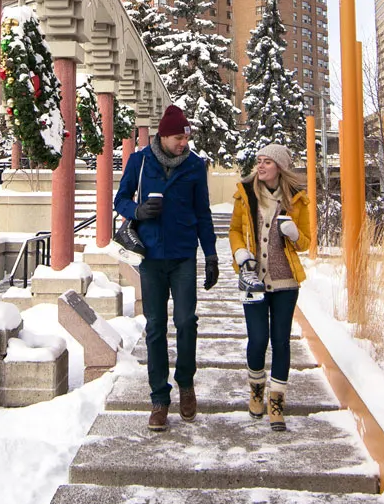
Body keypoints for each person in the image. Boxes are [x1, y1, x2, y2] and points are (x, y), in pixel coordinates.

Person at [114, 103, 218, 431]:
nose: (183, 142)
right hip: (151, 258)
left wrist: (211, 255)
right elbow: (120, 200)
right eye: (177, 137)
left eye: (185, 136)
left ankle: (185, 384)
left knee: (187, 321)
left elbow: (203, 213)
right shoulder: (140, 161)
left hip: (184, 256)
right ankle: (159, 398)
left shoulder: (195, 167)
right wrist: (139, 211)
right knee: (156, 327)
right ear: (163, 135)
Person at [228, 143, 314, 432]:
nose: (260, 166)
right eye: (259, 161)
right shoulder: (246, 195)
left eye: (267, 162)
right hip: (253, 280)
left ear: (280, 167)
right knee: (257, 339)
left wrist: (294, 233)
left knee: (281, 341)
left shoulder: (297, 201)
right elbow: (235, 231)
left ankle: (276, 402)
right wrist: (240, 253)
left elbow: (306, 243)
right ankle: (256, 389)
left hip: (286, 282)